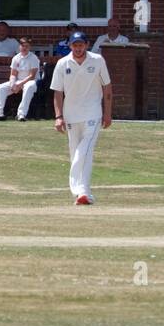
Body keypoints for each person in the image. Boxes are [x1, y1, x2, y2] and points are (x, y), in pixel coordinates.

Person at [50, 31, 112, 205]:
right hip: (71, 115)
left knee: (84, 150)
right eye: (75, 45)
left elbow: (107, 88)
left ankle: (82, 191)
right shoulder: (63, 63)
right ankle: (82, 192)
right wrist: (59, 116)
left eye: (81, 45)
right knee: (77, 152)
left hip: (92, 112)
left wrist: (107, 113)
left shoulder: (98, 60)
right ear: (70, 46)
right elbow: (57, 92)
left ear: (86, 45)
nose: (78, 48)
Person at [0, 36, 40, 121]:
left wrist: (19, 85)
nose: (24, 48)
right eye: (22, 46)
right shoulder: (16, 58)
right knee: (0, 87)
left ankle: (21, 114)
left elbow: (32, 76)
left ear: (30, 47)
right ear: (19, 47)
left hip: (30, 81)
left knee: (29, 87)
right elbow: (13, 74)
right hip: (18, 81)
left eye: (27, 46)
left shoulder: (34, 58)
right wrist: (12, 84)